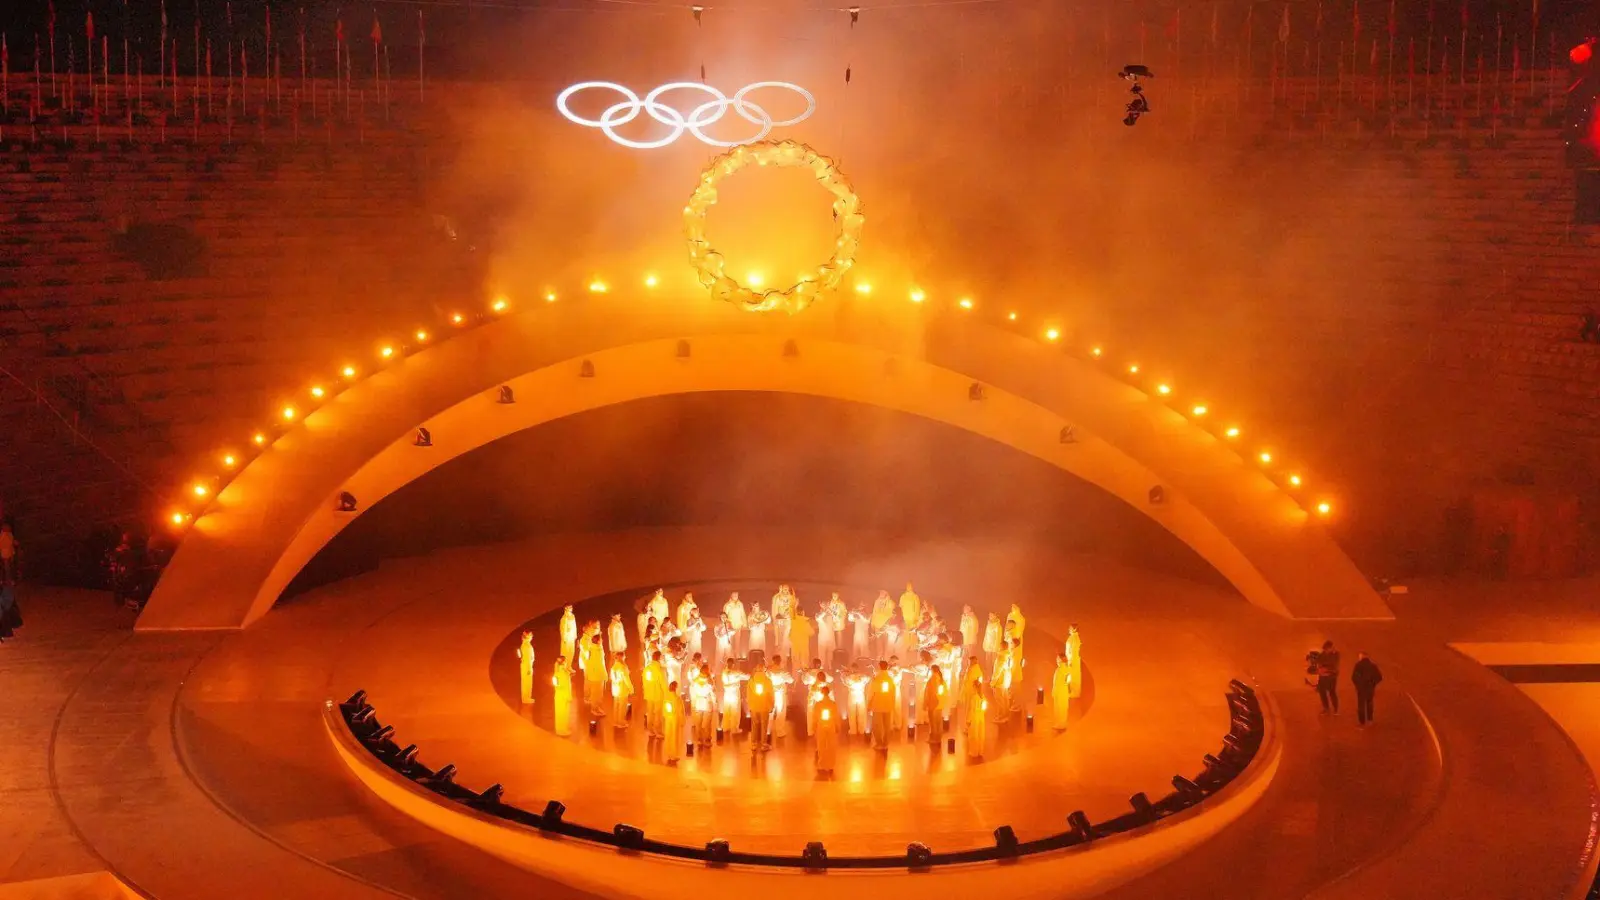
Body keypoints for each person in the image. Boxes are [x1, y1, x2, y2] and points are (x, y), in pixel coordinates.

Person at [868, 660, 897, 750]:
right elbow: (893, 693)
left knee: (877, 725)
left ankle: (879, 743)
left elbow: (871, 693)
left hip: (877, 705)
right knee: (887, 725)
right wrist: (892, 703)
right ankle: (885, 743)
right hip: (888, 704)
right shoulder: (890, 679)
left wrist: (869, 705)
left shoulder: (876, 679)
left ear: (879, 666)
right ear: (887, 667)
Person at [747, 662, 775, 751]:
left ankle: (753, 744)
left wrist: (750, 705)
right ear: (764, 670)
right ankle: (763, 744)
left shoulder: (751, 680)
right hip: (764, 706)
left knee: (754, 726)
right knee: (764, 726)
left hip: (754, 706)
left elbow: (748, 695)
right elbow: (771, 695)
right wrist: (771, 706)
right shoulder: (768, 681)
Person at [814, 686, 841, 775]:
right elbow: (836, 716)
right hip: (831, 725)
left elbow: (815, 717)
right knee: (831, 745)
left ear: (822, 693)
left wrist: (814, 727)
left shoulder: (818, 704)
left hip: (821, 726)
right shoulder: (833, 704)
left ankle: (822, 765)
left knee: (821, 745)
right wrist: (837, 726)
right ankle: (831, 765)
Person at [962, 663, 988, 758]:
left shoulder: (974, 698)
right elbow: (985, 708)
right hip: (981, 717)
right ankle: (980, 751)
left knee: (974, 735)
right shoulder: (983, 697)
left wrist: (968, 721)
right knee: (981, 734)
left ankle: (974, 751)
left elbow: (971, 710)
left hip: (974, 717)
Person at [1351, 652, 1383, 727]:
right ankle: (1370, 720)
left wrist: (1358, 685)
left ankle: (1362, 722)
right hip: (1370, 689)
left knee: (1361, 705)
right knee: (1369, 704)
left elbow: (1354, 677)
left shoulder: (1358, 665)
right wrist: (1373, 684)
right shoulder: (1373, 665)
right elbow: (1379, 677)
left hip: (1361, 689)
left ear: (1362, 657)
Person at [690, 665, 717, 747]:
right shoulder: (709, 680)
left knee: (699, 722)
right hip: (707, 702)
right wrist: (715, 702)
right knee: (707, 722)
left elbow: (692, 692)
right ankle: (707, 739)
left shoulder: (695, 680)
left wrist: (694, 703)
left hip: (698, 702)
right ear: (706, 670)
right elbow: (713, 691)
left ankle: (699, 740)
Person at [642, 650, 666, 737]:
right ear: (659, 658)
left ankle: (650, 730)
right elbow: (663, 683)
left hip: (649, 694)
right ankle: (659, 731)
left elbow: (644, 681)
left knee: (650, 712)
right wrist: (666, 694)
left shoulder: (647, 668)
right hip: (658, 695)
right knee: (658, 714)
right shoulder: (660, 670)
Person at [769, 656, 794, 738]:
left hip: (771, 693)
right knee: (780, 712)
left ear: (773, 661)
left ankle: (767, 730)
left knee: (770, 712)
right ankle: (779, 731)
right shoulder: (783, 672)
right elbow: (791, 680)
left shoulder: (769, 671)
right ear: (780, 661)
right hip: (780, 694)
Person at [991, 639, 1015, 723]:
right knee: (1005, 698)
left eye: (999, 645)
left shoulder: (1001, 656)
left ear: (1001, 647)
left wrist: (993, 682)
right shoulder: (1009, 655)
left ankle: (1001, 715)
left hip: (999, 681)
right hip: (1006, 680)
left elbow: (997, 671)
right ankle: (1006, 714)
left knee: (999, 698)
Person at [719, 663, 747, 736]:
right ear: (733, 665)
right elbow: (746, 676)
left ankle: (725, 727)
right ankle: (734, 729)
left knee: (727, 710)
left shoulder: (724, 672)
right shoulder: (736, 673)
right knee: (735, 711)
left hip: (727, 694)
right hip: (734, 694)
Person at [1316, 640, 1342, 715]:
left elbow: (1334, 665)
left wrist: (1325, 668)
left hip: (1331, 677)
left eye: (1328, 649)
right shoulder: (1321, 655)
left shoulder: (1335, 654)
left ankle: (1336, 709)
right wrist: (1321, 669)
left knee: (1332, 692)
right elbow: (1319, 664)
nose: (1326, 651)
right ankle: (1326, 708)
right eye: (1325, 649)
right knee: (1322, 692)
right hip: (1323, 677)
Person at [922, 664, 947, 744]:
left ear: (932, 670)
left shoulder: (933, 679)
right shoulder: (941, 679)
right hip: (940, 704)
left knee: (933, 722)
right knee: (938, 721)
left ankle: (934, 738)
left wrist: (926, 703)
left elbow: (929, 692)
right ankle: (938, 738)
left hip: (933, 704)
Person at [843, 668, 870, 736]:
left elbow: (844, 681)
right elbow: (869, 678)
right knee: (861, 713)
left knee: (851, 713)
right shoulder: (863, 676)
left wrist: (846, 673)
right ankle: (861, 730)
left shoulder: (849, 677)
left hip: (852, 696)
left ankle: (853, 730)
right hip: (860, 696)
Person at [771, 585, 795, 661]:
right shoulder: (778, 597)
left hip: (788, 620)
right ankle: (780, 658)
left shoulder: (791, 597)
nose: (786, 591)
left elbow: (793, 608)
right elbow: (775, 609)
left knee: (788, 639)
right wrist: (777, 618)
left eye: (787, 589)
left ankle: (788, 657)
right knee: (781, 640)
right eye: (784, 589)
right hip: (780, 621)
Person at [662, 682, 684, 765]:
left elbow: (664, 710)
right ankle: (674, 754)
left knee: (668, 734)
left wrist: (666, 716)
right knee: (674, 736)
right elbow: (681, 711)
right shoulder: (677, 699)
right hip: (675, 719)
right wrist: (682, 721)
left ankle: (668, 753)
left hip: (668, 718)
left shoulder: (666, 698)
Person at [610, 652, 633, 725]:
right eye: (624, 656)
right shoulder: (622, 667)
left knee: (616, 705)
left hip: (615, 688)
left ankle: (615, 721)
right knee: (622, 706)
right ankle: (621, 722)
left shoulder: (614, 666)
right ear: (621, 657)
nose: (625, 657)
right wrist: (631, 688)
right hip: (622, 688)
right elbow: (626, 679)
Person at [551, 658, 574, 737]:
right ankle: (561, 730)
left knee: (564, 713)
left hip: (563, 696)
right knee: (561, 713)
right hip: (562, 696)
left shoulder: (563, 673)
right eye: (565, 662)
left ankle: (563, 728)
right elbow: (559, 686)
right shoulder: (559, 674)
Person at [870, 590, 896, 656]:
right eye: (880, 593)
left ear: (886, 594)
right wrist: (872, 623)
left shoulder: (890, 602)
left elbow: (892, 612)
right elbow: (874, 613)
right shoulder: (877, 601)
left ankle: (886, 658)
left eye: (883, 593)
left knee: (886, 643)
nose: (881, 594)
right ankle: (879, 657)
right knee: (879, 644)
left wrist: (888, 600)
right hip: (877, 625)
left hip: (886, 626)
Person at [1051, 652, 1072, 731]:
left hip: (1060, 691)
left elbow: (1059, 682)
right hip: (1061, 691)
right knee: (1060, 707)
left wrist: (1055, 691)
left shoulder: (1062, 670)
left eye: (1058, 658)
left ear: (1061, 659)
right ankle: (1060, 723)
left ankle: (1061, 724)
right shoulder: (1063, 669)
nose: (1056, 659)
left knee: (1060, 707)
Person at [516, 631, 536, 705]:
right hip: (527, 666)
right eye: (530, 636)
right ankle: (525, 698)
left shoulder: (527, 645)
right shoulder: (526, 646)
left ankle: (527, 697)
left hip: (528, 665)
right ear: (527, 637)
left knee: (528, 682)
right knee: (526, 682)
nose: (532, 637)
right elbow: (527, 658)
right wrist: (528, 668)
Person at [1065, 624, 1083, 698]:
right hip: (1070, 659)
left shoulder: (1075, 638)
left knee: (1073, 676)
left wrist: (1071, 660)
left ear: (1074, 629)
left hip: (1073, 659)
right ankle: (1070, 691)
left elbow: (1074, 650)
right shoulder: (1071, 637)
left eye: (1070, 628)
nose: (1069, 629)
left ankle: (1074, 692)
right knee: (1069, 676)